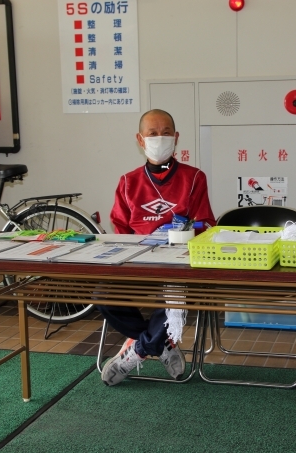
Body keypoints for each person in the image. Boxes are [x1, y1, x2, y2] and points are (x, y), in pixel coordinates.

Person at [101, 109, 216, 386]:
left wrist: (184, 231)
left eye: (166, 133)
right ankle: (161, 344)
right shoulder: (128, 182)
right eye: (152, 134)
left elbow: (207, 224)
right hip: (139, 262)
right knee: (103, 294)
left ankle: (138, 350)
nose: (159, 138)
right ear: (140, 140)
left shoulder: (194, 177)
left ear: (176, 138)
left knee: (175, 297)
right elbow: (121, 229)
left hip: (178, 263)